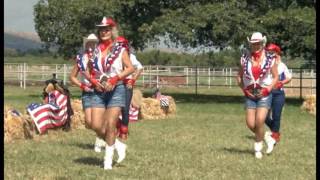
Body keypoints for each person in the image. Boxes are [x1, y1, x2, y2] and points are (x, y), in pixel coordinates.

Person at [87, 16, 134, 170]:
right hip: (99, 90)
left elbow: (130, 68)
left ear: (112, 31)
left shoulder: (120, 49)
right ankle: (118, 145)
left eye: (107, 29)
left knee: (110, 123)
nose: (104, 32)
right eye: (101, 29)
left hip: (117, 89)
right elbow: (89, 71)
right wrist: (94, 81)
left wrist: (115, 78)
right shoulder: (94, 50)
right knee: (95, 125)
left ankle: (107, 162)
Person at [236, 32, 278, 159]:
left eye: (258, 43)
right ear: (250, 44)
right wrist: (244, 89)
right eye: (253, 43)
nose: (256, 46)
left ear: (262, 43)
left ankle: (258, 148)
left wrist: (268, 89)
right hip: (250, 94)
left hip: (264, 94)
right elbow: (239, 76)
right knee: (250, 124)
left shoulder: (270, 58)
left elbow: (276, 77)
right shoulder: (244, 58)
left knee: (260, 121)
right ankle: (267, 137)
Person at [69, 33, 106, 151]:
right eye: (90, 42)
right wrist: (81, 85)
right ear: (86, 44)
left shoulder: (100, 57)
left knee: (95, 123)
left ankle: (102, 139)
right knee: (89, 123)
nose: (92, 44)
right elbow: (72, 77)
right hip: (86, 92)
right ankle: (105, 135)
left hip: (98, 91)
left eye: (95, 42)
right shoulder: (80, 58)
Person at [264, 43, 292, 154]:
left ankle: (274, 136)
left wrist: (282, 82)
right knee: (264, 116)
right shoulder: (266, 64)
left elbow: (289, 77)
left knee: (276, 115)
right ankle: (275, 131)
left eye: (272, 52)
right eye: (268, 52)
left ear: (277, 52)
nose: (270, 54)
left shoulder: (282, 65)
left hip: (279, 94)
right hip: (267, 92)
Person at [115, 36, 144, 141]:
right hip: (115, 84)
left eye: (121, 45)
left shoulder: (131, 57)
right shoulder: (112, 57)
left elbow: (140, 68)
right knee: (112, 108)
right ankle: (117, 125)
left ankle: (124, 131)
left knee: (125, 108)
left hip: (127, 85)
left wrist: (133, 80)